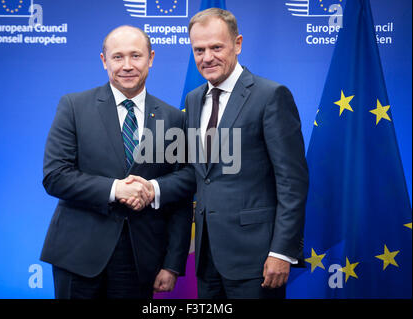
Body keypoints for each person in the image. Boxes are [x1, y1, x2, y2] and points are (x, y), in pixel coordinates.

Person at [128, 8, 309, 299]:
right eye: (199, 50)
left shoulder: (270, 96)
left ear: (237, 44)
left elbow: (292, 181)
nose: (207, 57)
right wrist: (152, 187)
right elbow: (200, 174)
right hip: (207, 258)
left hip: (258, 259)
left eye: (216, 47)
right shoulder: (195, 99)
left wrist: (281, 251)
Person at [40, 25, 193, 299]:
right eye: (118, 57)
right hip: (77, 256)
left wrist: (172, 263)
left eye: (135, 56)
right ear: (104, 60)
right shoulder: (74, 107)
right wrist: (116, 189)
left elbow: (182, 191)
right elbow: (56, 176)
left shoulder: (174, 118)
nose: (127, 65)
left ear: (151, 58)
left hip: (140, 260)